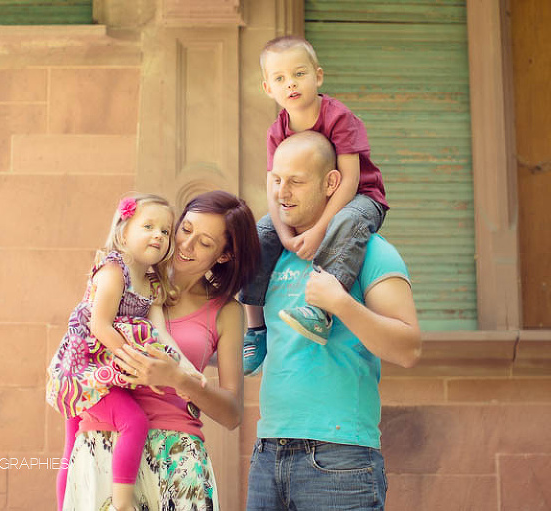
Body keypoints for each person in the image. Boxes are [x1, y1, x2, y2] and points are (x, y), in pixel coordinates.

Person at [246, 131, 421, 511]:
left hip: (339, 458)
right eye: (276, 180)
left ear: (331, 183)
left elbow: (408, 348)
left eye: (296, 181)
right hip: (267, 452)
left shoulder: (371, 250)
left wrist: (341, 304)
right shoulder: (274, 255)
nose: (282, 192)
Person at [61, 190, 260, 511]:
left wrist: (180, 379)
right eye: (186, 229)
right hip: (103, 447)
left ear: (223, 256)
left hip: (176, 457)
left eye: (205, 243)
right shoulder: (127, 278)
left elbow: (233, 413)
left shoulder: (225, 312)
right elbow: (82, 347)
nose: (186, 244)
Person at [46, 193, 205, 511]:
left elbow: (161, 336)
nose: (158, 236)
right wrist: (133, 358)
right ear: (123, 231)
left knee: (77, 435)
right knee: (130, 421)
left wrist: (187, 368)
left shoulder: (152, 283)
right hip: (84, 366)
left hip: (110, 366)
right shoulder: (112, 270)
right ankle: (121, 504)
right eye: (148, 226)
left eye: (164, 231)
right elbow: (99, 326)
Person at [242, 36, 390, 375]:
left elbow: (349, 180)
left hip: (360, 199)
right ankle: (255, 328)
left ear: (317, 76)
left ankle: (320, 313)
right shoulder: (277, 130)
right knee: (258, 235)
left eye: (299, 73)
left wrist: (319, 229)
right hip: (306, 206)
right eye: (279, 78)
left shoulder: (339, 118)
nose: (290, 83)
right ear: (268, 87)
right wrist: (285, 233)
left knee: (348, 222)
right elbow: (273, 185)